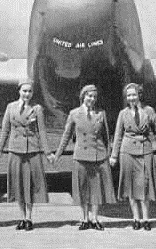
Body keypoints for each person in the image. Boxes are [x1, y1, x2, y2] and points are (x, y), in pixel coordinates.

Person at [0, 80, 54, 231]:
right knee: (18, 184)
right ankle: (22, 217)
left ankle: (29, 217)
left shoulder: (37, 109)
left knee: (30, 184)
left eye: (30, 92)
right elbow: (5, 130)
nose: (27, 94)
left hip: (31, 150)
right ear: (19, 91)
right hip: (15, 150)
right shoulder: (10, 107)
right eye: (24, 91)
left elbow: (42, 131)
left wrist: (47, 152)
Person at [54, 84, 116, 231]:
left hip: (98, 156)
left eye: (94, 97)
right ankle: (84, 218)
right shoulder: (74, 114)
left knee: (96, 190)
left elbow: (106, 137)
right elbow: (66, 136)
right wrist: (58, 154)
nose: (92, 99)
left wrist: (108, 155)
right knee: (83, 189)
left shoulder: (101, 114)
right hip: (81, 156)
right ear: (83, 96)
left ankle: (94, 219)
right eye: (89, 96)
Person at [109, 83, 156, 231]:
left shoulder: (149, 111)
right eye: (128, 95)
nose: (131, 98)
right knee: (130, 186)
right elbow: (118, 136)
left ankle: (146, 218)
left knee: (145, 186)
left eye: (134, 95)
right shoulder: (123, 114)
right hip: (127, 152)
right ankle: (136, 218)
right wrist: (114, 156)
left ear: (139, 95)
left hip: (145, 151)